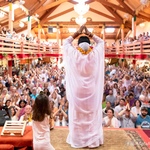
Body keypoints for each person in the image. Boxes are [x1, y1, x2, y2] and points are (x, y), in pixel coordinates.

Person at [63, 25, 104, 148]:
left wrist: (76, 33)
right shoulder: (95, 53)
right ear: (90, 43)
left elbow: (66, 42)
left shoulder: (74, 54)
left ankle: (78, 140)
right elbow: (101, 42)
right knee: (91, 114)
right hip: (92, 89)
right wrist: (90, 34)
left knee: (77, 115)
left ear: (78, 43)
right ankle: (92, 141)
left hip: (77, 90)